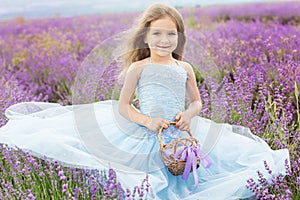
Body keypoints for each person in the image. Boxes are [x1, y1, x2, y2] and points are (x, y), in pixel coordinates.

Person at [0, 3, 290, 200]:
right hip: (145, 132)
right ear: (145, 37)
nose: (164, 40)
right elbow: (123, 106)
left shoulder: (184, 67)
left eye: (171, 34)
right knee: (147, 183)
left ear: (179, 37)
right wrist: (147, 121)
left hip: (181, 134)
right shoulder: (138, 68)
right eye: (157, 34)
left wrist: (190, 114)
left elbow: (198, 102)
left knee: (195, 179)